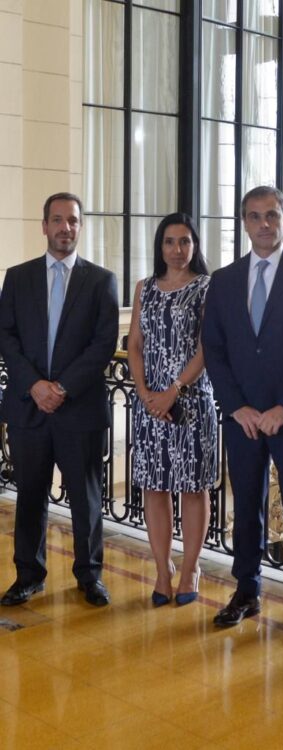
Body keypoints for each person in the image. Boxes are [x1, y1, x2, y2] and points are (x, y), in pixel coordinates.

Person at [202, 185, 283, 640]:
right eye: (254, 216)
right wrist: (238, 407)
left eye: (272, 215)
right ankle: (246, 591)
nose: (264, 224)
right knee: (246, 507)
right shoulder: (224, 279)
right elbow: (215, 349)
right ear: (244, 223)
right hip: (244, 421)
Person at [0, 192, 119, 607]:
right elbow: (6, 337)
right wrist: (35, 385)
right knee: (30, 495)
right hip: (28, 408)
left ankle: (90, 576)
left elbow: (103, 344)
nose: (65, 227)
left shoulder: (101, 280)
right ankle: (28, 576)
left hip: (80, 409)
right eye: (57, 219)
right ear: (44, 225)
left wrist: (62, 388)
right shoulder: (18, 278)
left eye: (72, 220)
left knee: (86, 499)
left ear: (80, 226)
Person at [128, 213, 217, 607]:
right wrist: (145, 393)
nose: (177, 250)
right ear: (159, 246)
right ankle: (162, 571)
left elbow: (206, 347)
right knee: (155, 486)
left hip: (191, 403)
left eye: (184, 241)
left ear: (194, 245)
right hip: (150, 406)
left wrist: (174, 391)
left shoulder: (206, 287)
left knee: (193, 488)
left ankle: (190, 569)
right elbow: (134, 344)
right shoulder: (144, 288)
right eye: (169, 241)